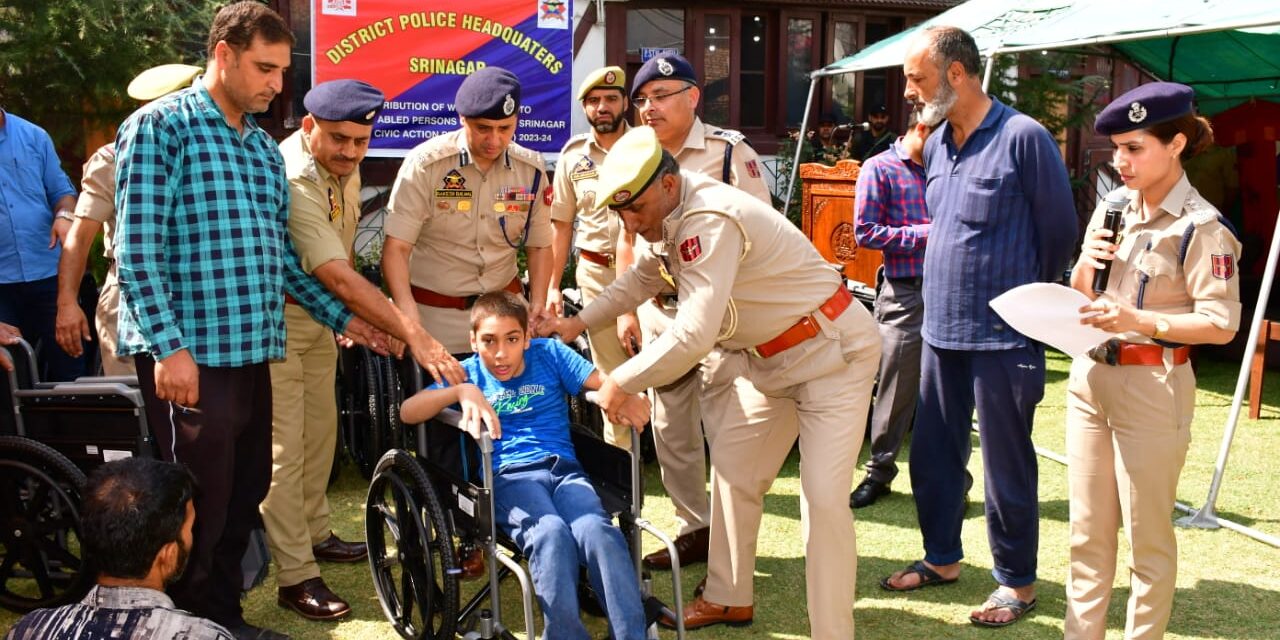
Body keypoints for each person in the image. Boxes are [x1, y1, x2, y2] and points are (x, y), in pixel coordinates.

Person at [113, 4, 388, 638]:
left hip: (252, 351)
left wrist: (346, 317)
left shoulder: (262, 150)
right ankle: (178, 625)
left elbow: (283, 269)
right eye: (264, 68)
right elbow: (135, 250)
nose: (274, 84)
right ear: (224, 55)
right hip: (191, 358)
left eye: (281, 72)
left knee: (247, 492)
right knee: (195, 506)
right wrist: (168, 349)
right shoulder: (161, 127)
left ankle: (221, 619)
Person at [540, 126, 880, 637]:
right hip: (767, 363)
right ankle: (728, 597)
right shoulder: (672, 216)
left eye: (636, 209)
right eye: (621, 212)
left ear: (669, 186)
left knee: (823, 500)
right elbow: (641, 279)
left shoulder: (708, 218)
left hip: (833, 355)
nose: (630, 222)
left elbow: (695, 334)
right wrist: (577, 322)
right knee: (735, 471)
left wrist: (620, 381)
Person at [879, 26, 1077, 628]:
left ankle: (1016, 581)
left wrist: (1023, 306)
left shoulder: (1025, 137)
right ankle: (942, 559)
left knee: (1006, 464)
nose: (910, 91)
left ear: (956, 74)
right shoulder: (937, 144)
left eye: (917, 78)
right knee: (933, 456)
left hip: (1004, 337)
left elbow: (1059, 233)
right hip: (939, 329)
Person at [263, 79, 464, 622]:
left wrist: (348, 320)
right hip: (277, 325)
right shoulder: (295, 175)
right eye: (338, 139)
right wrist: (411, 332)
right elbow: (337, 275)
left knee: (320, 437)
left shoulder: (338, 168)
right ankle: (295, 574)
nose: (351, 151)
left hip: (320, 321)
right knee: (285, 453)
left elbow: (345, 260)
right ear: (308, 128)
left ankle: (316, 532)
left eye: (360, 140)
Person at [1066, 82, 1241, 639]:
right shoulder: (1112, 206)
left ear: (1177, 144)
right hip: (1090, 379)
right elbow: (1081, 293)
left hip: (1153, 384)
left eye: (1135, 147)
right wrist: (1086, 266)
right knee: (1086, 536)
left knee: (1148, 542)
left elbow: (1222, 324)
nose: (1120, 161)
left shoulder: (1201, 227)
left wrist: (1140, 321)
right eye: (1116, 148)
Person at [400, 291, 650, 640]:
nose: (500, 353)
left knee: (598, 532)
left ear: (527, 338)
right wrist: (460, 393)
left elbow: (602, 384)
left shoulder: (549, 354)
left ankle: (632, 635)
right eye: (488, 341)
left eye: (512, 339)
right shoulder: (467, 373)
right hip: (509, 477)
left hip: (565, 471)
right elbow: (408, 411)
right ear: (473, 341)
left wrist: (625, 397)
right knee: (550, 534)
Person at [619, 52, 773, 573]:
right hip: (663, 312)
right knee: (672, 432)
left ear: (692, 97)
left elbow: (761, 231)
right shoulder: (636, 153)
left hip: (722, 322)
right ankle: (695, 530)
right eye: (642, 100)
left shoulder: (729, 153)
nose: (648, 108)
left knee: (729, 431)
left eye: (660, 97)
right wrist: (629, 311)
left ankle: (731, 541)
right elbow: (629, 234)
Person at [382, 66, 553, 355]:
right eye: (483, 128)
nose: (495, 140)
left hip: (505, 322)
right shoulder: (426, 165)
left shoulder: (531, 171)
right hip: (437, 322)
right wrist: (406, 311)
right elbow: (397, 248)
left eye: (505, 129)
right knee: (440, 401)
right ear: (463, 119)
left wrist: (538, 301)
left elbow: (539, 246)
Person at [55, 63, 203, 376]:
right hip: (130, 296)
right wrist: (67, 302)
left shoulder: (206, 152)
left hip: (194, 293)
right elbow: (80, 236)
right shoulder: (112, 158)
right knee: (139, 407)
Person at [5, 457, 232, 640]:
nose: (193, 535)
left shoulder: (29, 629)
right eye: (190, 528)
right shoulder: (204, 635)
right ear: (168, 555)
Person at [547, 66, 636, 449]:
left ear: (624, 103)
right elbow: (561, 225)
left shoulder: (649, 147)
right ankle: (623, 465)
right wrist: (552, 286)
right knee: (611, 374)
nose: (603, 107)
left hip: (652, 277)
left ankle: (671, 464)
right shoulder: (571, 158)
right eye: (594, 101)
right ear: (584, 107)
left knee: (667, 371)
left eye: (611, 99)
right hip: (597, 275)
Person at [849, 110, 933, 509]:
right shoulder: (878, 168)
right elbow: (864, 231)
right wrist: (925, 233)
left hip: (950, 293)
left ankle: (952, 479)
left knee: (949, 391)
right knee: (894, 389)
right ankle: (878, 473)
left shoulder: (948, 167)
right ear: (921, 128)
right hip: (905, 293)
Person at [0, 106, 81, 381]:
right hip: (1, 287)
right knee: (10, 377)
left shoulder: (33, 136)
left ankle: (72, 424)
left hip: (49, 275)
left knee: (69, 368)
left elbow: (63, 193)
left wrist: (64, 216)